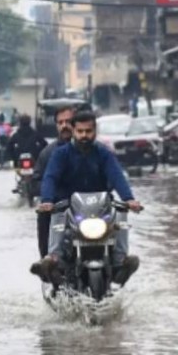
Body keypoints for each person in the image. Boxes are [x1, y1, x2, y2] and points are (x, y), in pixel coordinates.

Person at [31, 110, 142, 287]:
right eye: (80, 131)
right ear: (74, 132)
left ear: (95, 131)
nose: (84, 136)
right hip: (69, 206)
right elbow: (50, 177)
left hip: (100, 206)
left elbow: (116, 175)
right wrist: (47, 200)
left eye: (88, 131)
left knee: (121, 210)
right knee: (57, 212)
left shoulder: (103, 153)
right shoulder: (60, 154)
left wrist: (129, 199)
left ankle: (121, 262)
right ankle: (54, 260)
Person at [32, 106, 75, 258]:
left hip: (88, 207)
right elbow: (37, 181)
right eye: (60, 122)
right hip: (58, 207)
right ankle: (47, 263)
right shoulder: (47, 153)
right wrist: (51, 198)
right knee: (43, 216)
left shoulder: (94, 149)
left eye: (68, 121)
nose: (64, 126)